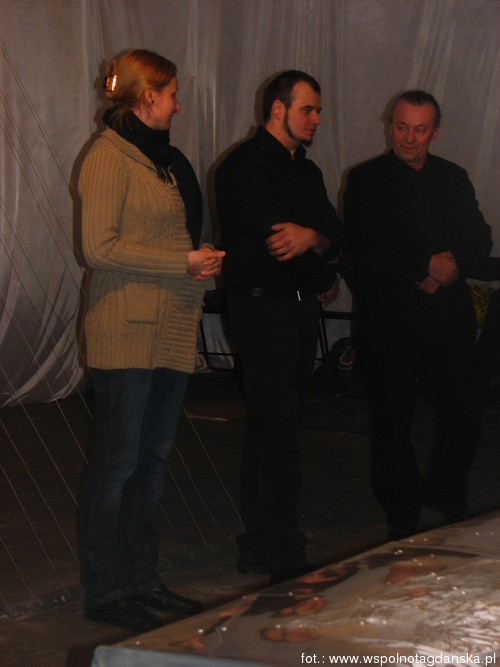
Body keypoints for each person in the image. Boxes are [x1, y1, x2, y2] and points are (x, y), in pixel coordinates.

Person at [78, 49, 224, 633]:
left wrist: (198, 258)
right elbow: (98, 248)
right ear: (148, 97)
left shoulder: (164, 160)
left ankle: (142, 580)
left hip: (169, 330)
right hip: (125, 332)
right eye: (172, 94)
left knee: (152, 463)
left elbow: (169, 236)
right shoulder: (107, 156)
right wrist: (180, 261)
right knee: (116, 464)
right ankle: (104, 590)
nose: (178, 104)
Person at [343, 90, 492, 540]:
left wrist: (449, 267)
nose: (409, 138)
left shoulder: (453, 177)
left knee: (464, 409)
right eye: (401, 127)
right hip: (390, 320)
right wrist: (424, 266)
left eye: (420, 129)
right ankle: (402, 508)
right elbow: (365, 246)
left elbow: (479, 238)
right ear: (390, 125)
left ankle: (446, 492)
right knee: (392, 420)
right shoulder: (366, 179)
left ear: (435, 132)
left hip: (447, 319)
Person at [215, 70, 344, 584]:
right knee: (278, 434)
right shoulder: (243, 166)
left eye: (318, 111)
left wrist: (315, 239)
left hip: (296, 309)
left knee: (274, 429)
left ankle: (258, 546)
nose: (316, 119)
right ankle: (285, 557)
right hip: (261, 308)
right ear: (277, 109)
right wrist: (322, 269)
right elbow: (277, 242)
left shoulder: (306, 171)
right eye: (307, 109)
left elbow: (332, 235)